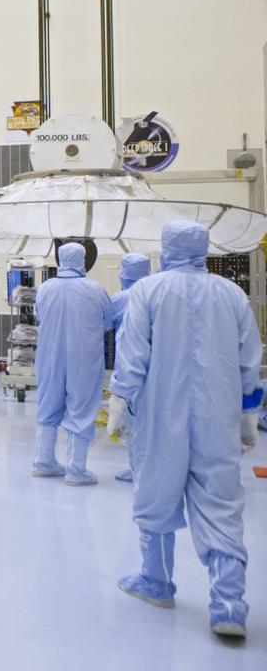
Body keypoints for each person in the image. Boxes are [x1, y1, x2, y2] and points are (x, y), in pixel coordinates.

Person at [108, 220, 262, 638]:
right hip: (218, 418)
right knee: (221, 502)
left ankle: (156, 581)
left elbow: (132, 355)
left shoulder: (148, 291)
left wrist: (119, 400)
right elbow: (249, 358)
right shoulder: (231, 294)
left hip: (160, 415)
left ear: (166, 248)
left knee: (156, 492)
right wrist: (248, 414)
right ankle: (228, 604)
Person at [31, 242, 113, 485]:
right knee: (81, 406)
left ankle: (43, 462)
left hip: (49, 356)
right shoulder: (95, 290)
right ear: (83, 260)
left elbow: (38, 316)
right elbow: (107, 322)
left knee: (48, 403)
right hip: (83, 357)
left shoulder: (45, 289)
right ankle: (76, 470)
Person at [108, 253, 152, 483]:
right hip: (157, 367)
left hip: (129, 365)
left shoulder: (120, 299)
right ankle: (144, 468)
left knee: (135, 420)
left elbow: (104, 322)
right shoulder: (156, 293)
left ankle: (138, 470)